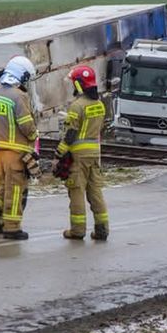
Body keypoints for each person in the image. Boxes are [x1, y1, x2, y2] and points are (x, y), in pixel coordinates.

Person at [0, 55, 38, 240]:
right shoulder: (19, 96)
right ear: (20, 75)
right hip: (15, 151)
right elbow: (26, 124)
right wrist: (34, 136)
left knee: (2, 185)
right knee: (15, 188)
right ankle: (12, 227)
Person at [54, 65, 109, 241]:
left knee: (76, 190)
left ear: (78, 85)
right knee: (95, 192)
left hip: (78, 155)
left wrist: (58, 154)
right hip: (95, 154)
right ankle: (102, 230)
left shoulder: (76, 106)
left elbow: (70, 134)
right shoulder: (99, 104)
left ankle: (77, 230)